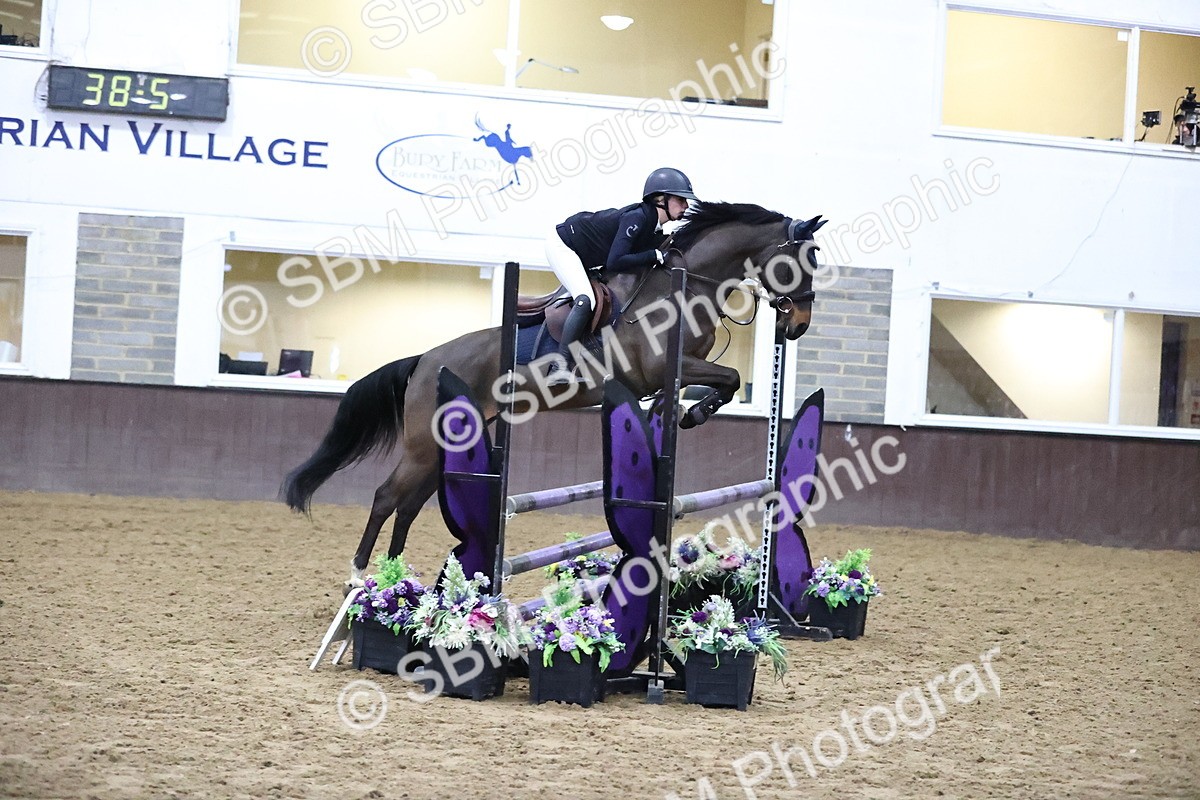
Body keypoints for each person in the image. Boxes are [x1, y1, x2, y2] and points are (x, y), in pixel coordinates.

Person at [545, 167, 698, 374]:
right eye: (681, 200)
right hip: (563, 245)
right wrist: (653, 255)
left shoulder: (653, 226)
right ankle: (559, 366)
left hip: (585, 255)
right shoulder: (637, 218)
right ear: (661, 198)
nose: (686, 205)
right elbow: (616, 261)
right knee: (585, 299)